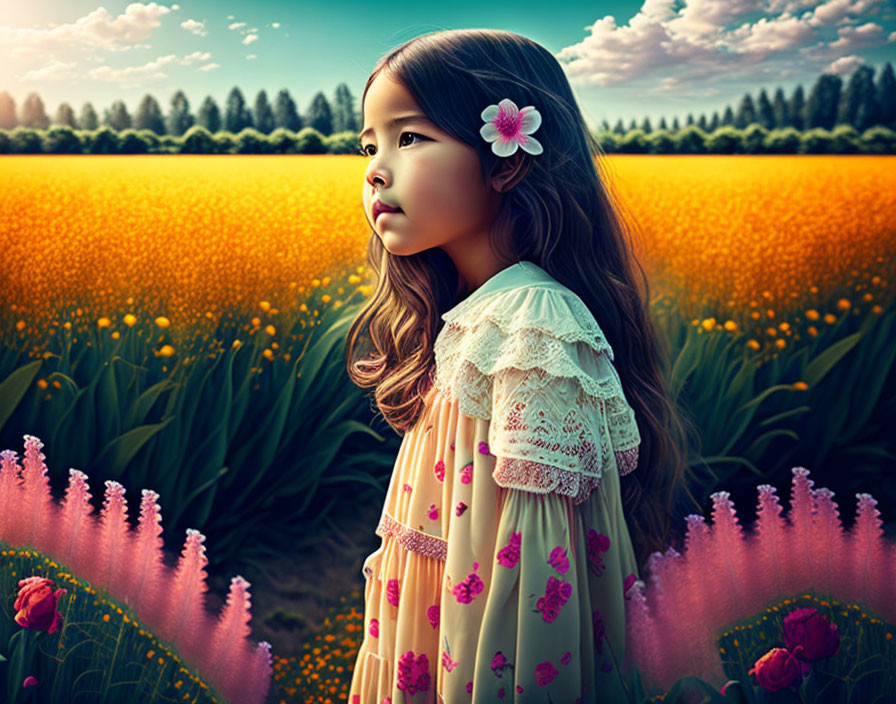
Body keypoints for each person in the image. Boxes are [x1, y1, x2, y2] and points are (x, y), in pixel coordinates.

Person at [343, 28, 702, 704]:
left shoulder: (533, 323)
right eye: (369, 146)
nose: (374, 169)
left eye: (410, 137)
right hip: (443, 639)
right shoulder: (482, 315)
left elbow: (540, 579)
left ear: (506, 162)